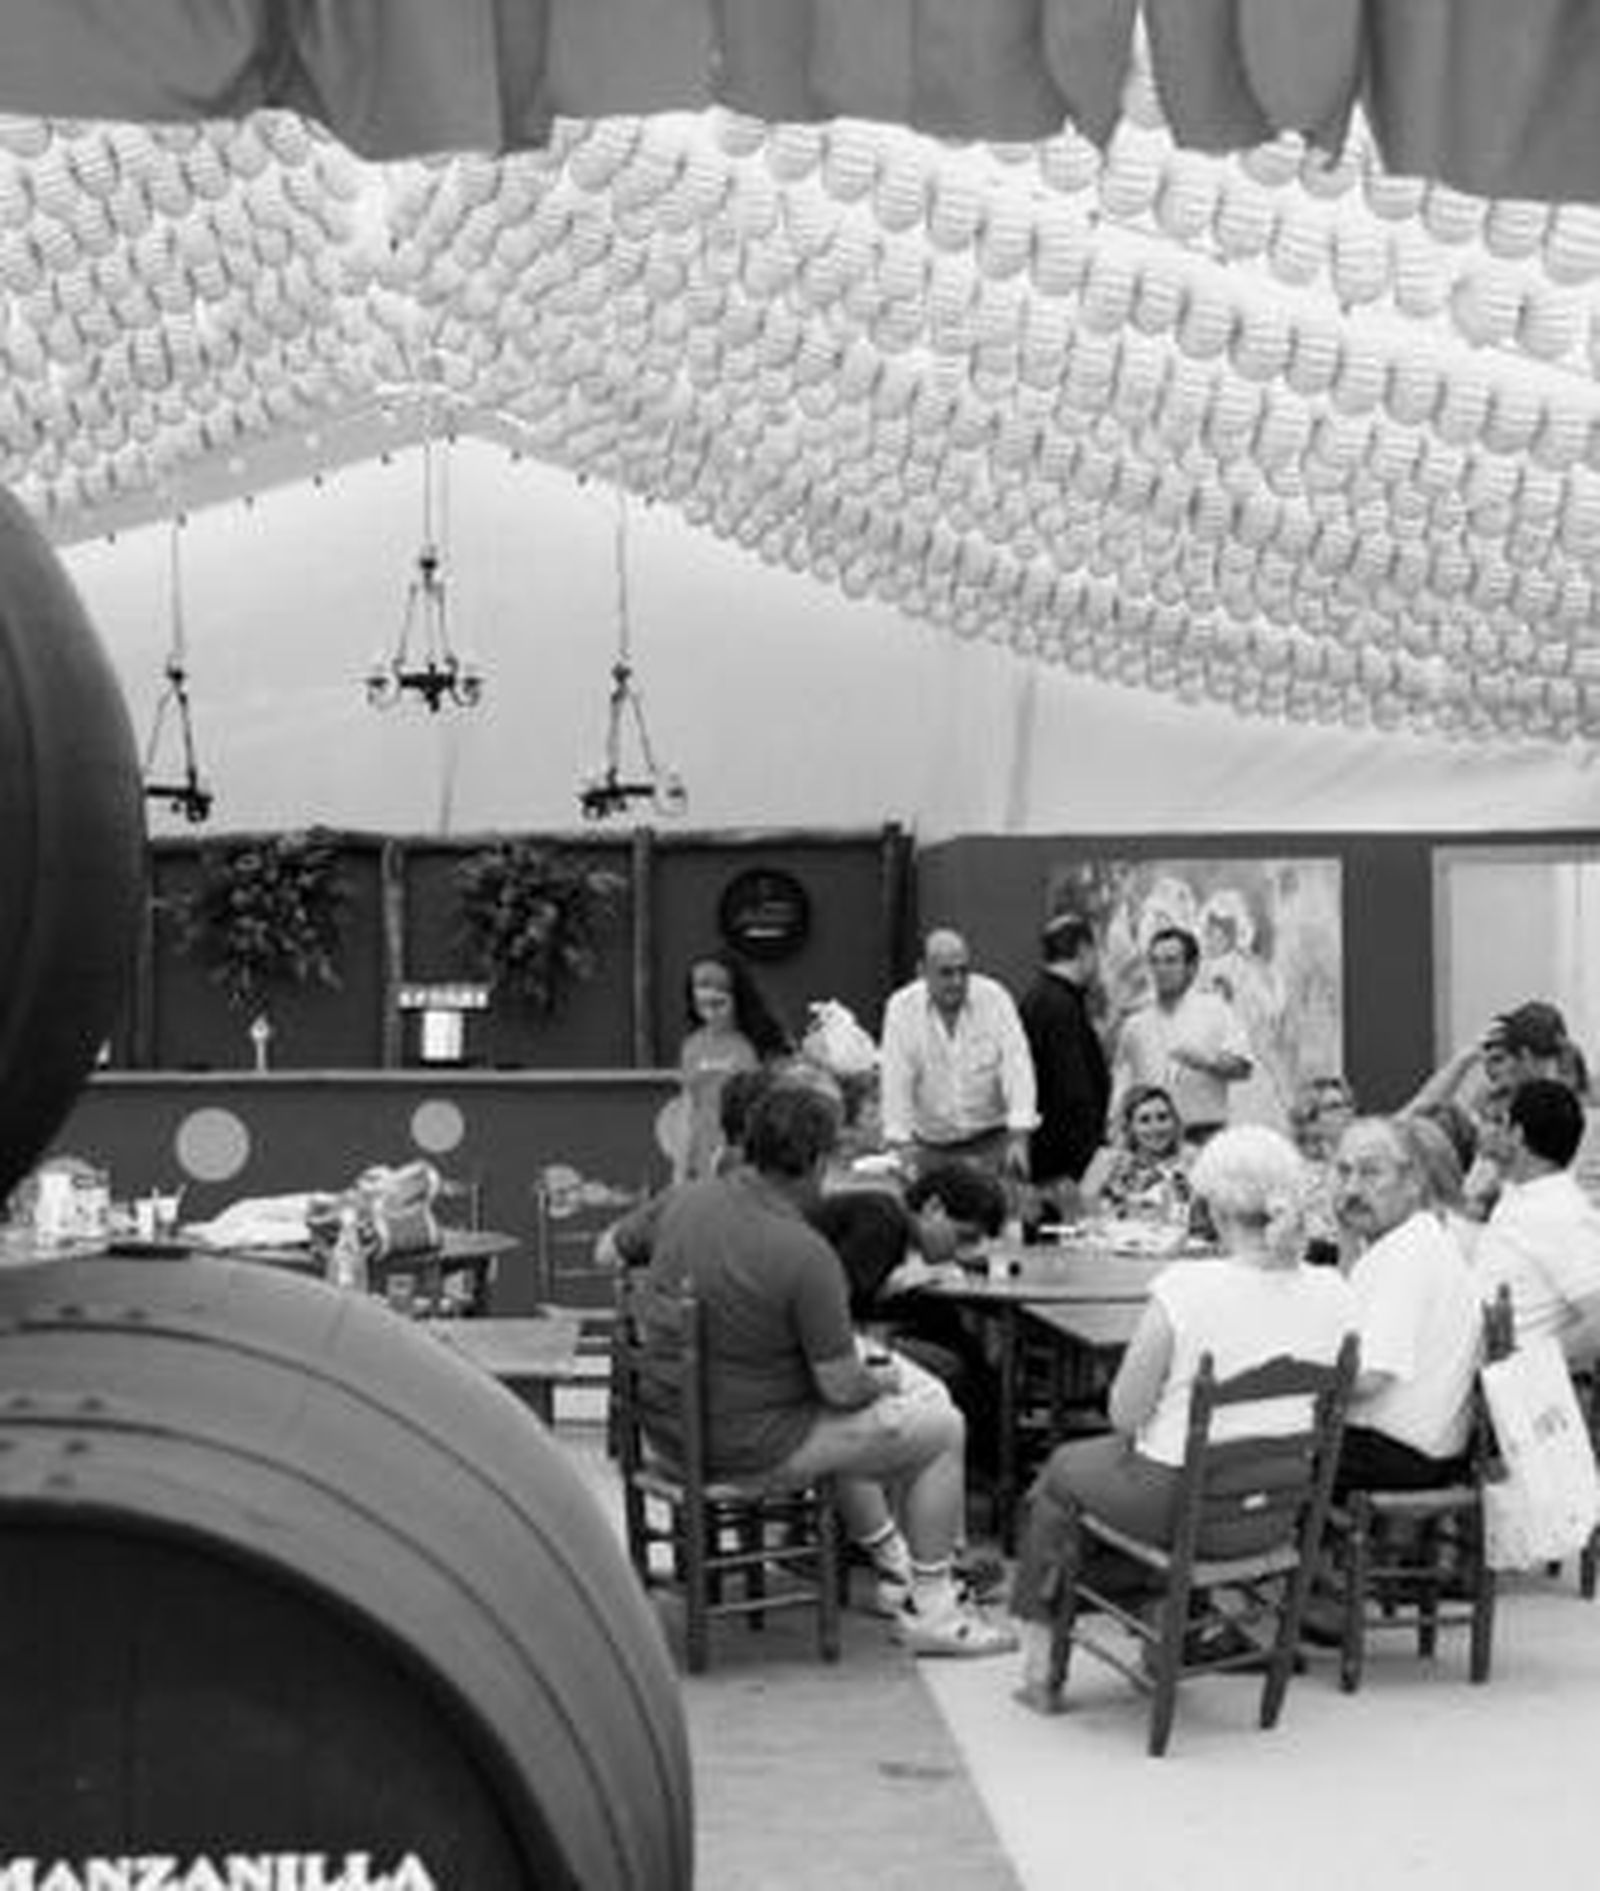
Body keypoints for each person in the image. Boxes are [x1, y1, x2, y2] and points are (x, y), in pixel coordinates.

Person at [639, 1083, 1014, 1656]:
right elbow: (841, 1388)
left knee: (864, 1420)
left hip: (669, 1429)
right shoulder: (803, 1253)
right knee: (941, 1426)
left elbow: (617, 1251)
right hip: (748, 1444)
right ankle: (934, 1607)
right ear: (817, 1162)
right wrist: (881, 1382)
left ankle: (896, 1570)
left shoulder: (686, 1201)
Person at [1009, 1125, 1357, 1708]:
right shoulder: (1332, 1290)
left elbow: (1124, 1413)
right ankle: (1163, 1615)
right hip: (1278, 1510)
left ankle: (1041, 1656)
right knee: (1118, 1469)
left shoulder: (1185, 1288)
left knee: (1064, 1472)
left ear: (1213, 1206)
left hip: (1177, 1505)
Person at [809, 1161, 1006, 1461]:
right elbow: (833, 1309)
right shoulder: (883, 1221)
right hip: (813, 1353)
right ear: (933, 1207)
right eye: (964, 1237)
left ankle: (985, 1455)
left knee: (945, 1325)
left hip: (819, 1338)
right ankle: (979, 1459)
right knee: (954, 1362)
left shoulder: (885, 1218)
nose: (960, 1252)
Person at [1330, 1116, 1484, 1495]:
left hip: (1400, 1452)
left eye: (1370, 1173)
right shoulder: (1406, 1239)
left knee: (1244, 1459)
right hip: (1418, 1443)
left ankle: (1261, 1553)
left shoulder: (1408, 1252)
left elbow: (1368, 1379)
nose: (1351, 1188)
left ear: (1413, 1182)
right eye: (1344, 1171)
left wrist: (1288, 1384)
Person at [878, 928, 1038, 1187]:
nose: (957, 981)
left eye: (963, 971)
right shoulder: (901, 1008)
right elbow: (896, 1079)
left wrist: (1019, 1135)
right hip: (931, 1147)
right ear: (922, 972)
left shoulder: (995, 998)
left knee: (1001, 1221)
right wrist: (901, 1146)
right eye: (946, 972)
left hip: (992, 1140)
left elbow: (1017, 1066)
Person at [1474, 1078, 1600, 1362]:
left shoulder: (1561, 1214)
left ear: (1516, 1134)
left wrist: (1525, 1366)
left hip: (1526, 1395)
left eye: (1498, 1121)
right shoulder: (1520, 1193)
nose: (1486, 1130)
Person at [1111, 926, 1252, 1145]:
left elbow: (1243, 1068)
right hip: (1148, 1136)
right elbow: (1122, 1078)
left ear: (1192, 967)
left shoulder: (1216, 1010)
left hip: (1203, 1132)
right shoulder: (1136, 1021)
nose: (1161, 969)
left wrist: (1207, 1061)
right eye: (1155, 961)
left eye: (1170, 961)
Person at [1018, 913, 1111, 1222]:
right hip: (1063, 1170)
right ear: (1084, 950)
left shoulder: (1040, 999)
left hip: (1048, 1158)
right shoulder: (1060, 1006)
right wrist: (1085, 1164)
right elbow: (1072, 1092)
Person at [673, 950, 791, 1184]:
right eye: (703, 1006)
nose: (712, 1013)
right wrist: (680, 1167)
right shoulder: (691, 1046)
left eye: (719, 1004)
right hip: (703, 1157)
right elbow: (688, 1108)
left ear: (738, 999)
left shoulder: (762, 1042)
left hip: (751, 1156)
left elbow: (782, 1102)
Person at [1078, 1084, 1193, 1223]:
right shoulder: (1107, 1159)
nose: (1155, 1128)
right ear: (1130, 1126)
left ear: (1174, 1121)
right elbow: (1084, 1210)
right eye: (1144, 1120)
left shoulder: (1192, 1160)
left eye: (1162, 1117)